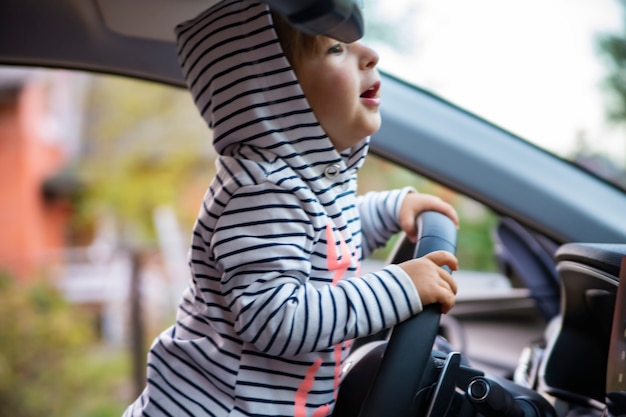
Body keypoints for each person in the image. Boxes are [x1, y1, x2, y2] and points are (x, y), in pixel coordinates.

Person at [123, 1, 459, 416]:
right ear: (274, 93)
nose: (369, 54)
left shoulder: (302, 184)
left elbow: (328, 239)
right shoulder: (261, 190)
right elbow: (277, 319)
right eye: (335, 49)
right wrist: (399, 288)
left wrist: (392, 208)